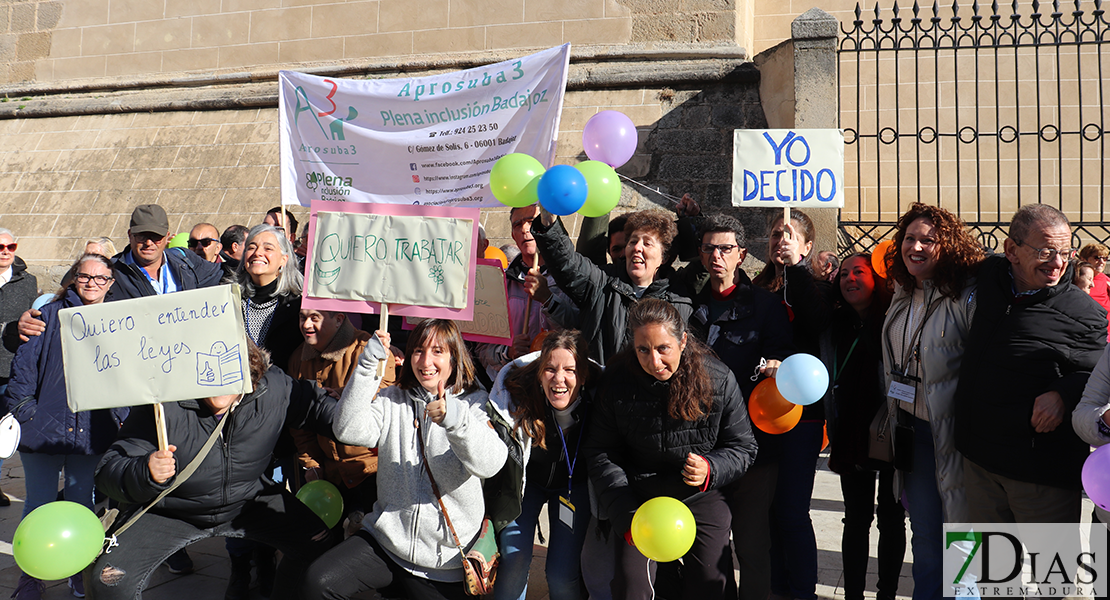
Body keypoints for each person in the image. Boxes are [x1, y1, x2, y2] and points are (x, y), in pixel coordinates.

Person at [84, 340, 339, 600]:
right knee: (109, 581)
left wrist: (351, 410)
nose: (219, 383)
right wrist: (145, 472)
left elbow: (316, 407)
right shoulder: (165, 403)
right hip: (172, 509)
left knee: (319, 546)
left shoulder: (272, 387)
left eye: (229, 370)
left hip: (248, 499)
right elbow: (108, 471)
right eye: (208, 371)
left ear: (250, 372)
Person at [304, 319, 508, 599]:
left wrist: (455, 419)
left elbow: (491, 463)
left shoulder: (474, 404)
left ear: (454, 357)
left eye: (438, 351)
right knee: (319, 580)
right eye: (418, 351)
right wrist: (368, 363)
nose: (426, 361)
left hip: (444, 561)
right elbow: (347, 428)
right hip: (387, 543)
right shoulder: (393, 398)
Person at [584, 299, 757, 600]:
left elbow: (744, 447)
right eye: (643, 350)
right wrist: (626, 515)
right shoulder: (617, 381)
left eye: (663, 348)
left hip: (700, 494)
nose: (654, 361)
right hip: (638, 495)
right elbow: (601, 452)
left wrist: (711, 468)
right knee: (632, 588)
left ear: (683, 341)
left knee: (710, 584)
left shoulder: (718, 379)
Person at [955, 205, 1105, 524]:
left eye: (1065, 252)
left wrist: (1063, 394)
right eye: (1046, 251)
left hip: (1041, 474)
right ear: (1011, 250)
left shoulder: (1087, 313)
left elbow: (1096, 375)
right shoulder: (988, 277)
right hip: (977, 461)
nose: (1058, 263)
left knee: (1052, 572)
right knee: (984, 570)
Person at [3, 253, 127, 600]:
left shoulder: (118, 320)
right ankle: (31, 576)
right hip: (43, 427)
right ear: (74, 278)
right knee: (38, 504)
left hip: (93, 429)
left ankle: (76, 568)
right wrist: (27, 412)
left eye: (100, 278)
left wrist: (120, 416)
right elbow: (24, 369)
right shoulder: (48, 315)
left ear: (110, 283)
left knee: (80, 503)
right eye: (84, 276)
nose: (91, 283)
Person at [684, 213, 793, 600]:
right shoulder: (686, 306)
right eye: (709, 248)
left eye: (726, 248)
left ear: (742, 254)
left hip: (751, 446)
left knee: (751, 544)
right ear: (699, 253)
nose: (717, 256)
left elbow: (782, 357)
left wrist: (776, 367)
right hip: (697, 445)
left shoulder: (765, 307)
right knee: (710, 550)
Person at [881, 202, 983, 600]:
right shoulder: (902, 293)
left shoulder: (965, 298)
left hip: (957, 438)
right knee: (924, 538)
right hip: (913, 433)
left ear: (949, 246)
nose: (916, 247)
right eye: (910, 238)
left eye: (929, 240)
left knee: (962, 538)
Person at [751, 209, 832, 600]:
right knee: (767, 511)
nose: (779, 241)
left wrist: (797, 271)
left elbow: (816, 325)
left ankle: (803, 591)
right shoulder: (757, 287)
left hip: (802, 418)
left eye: (788, 235)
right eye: (773, 235)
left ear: (807, 246)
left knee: (791, 511)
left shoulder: (817, 286)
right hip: (762, 415)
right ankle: (776, 586)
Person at [487, 330, 601, 600]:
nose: (558, 379)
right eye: (549, 369)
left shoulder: (598, 404)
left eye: (569, 370)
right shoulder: (518, 401)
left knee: (561, 575)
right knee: (514, 559)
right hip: (527, 486)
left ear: (583, 376)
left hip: (574, 489)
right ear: (539, 375)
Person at [825, 254, 905, 600]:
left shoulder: (893, 319)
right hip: (850, 434)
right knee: (856, 519)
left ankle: (886, 592)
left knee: (891, 518)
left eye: (859, 271)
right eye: (843, 274)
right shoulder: (834, 323)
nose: (850, 279)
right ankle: (853, 594)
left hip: (892, 430)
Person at [531, 208, 694, 364]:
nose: (637, 248)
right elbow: (567, 263)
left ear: (664, 257)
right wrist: (549, 223)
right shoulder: (601, 282)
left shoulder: (678, 300)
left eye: (647, 243)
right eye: (633, 241)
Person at [287, 308, 397, 536]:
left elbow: (385, 403)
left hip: (372, 470)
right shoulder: (298, 359)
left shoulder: (370, 350)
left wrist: (345, 395)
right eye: (302, 317)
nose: (306, 325)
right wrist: (311, 463)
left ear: (339, 320)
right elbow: (299, 423)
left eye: (314, 318)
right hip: (330, 475)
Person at [477, 205, 576, 381]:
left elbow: (582, 330)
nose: (524, 229)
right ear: (513, 235)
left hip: (559, 384)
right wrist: (507, 353)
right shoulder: (499, 283)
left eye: (531, 222)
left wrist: (548, 300)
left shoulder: (571, 276)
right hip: (515, 385)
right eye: (517, 225)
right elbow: (483, 348)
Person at [234, 224, 303, 373]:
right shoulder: (229, 301)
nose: (258, 253)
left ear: (284, 260)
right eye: (251, 247)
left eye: (268, 248)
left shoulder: (298, 305)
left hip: (282, 388)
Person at [1079, 244, 1110, 340]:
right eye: (1097, 258)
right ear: (1084, 259)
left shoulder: (1106, 280)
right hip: (1088, 331)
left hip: (1106, 332)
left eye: (1105, 258)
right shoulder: (1076, 279)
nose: (1101, 262)